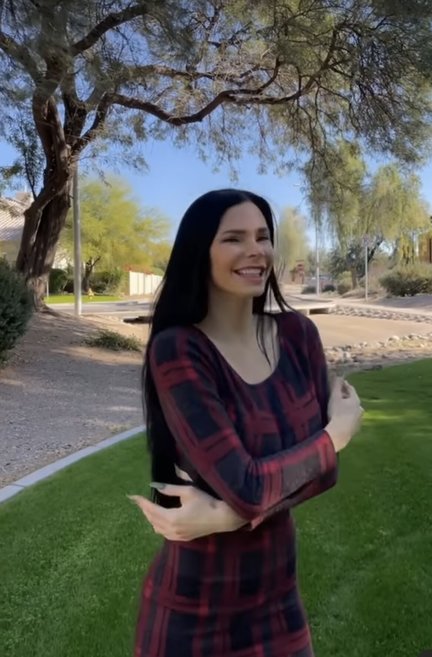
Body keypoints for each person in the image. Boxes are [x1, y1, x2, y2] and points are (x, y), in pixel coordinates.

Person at [129, 189, 363, 657]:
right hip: (192, 617)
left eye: (262, 237)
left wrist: (225, 515)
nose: (255, 250)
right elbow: (254, 484)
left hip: (280, 605)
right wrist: (334, 435)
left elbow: (322, 474)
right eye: (234, 239)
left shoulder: (298, 335)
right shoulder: (179, 351)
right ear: (201, 252)